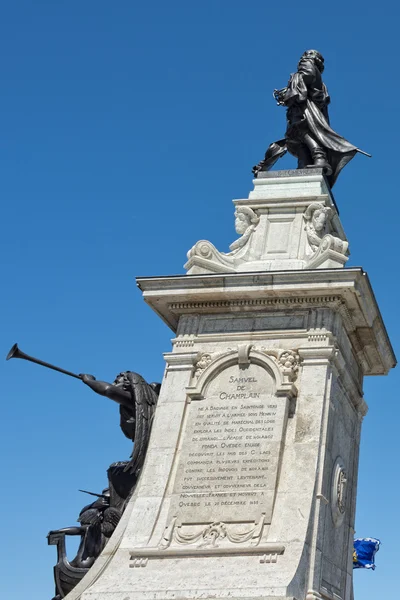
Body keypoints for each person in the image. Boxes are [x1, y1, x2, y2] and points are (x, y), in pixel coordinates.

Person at [253, 50, 370, 187]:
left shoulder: (306, 63)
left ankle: (320, 158)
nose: (303, 58)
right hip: (306, 110)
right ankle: (304, 165)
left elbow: (307, 76)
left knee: (301, 132)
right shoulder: (321, 81)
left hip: (304, 110)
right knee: (297, 139)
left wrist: (290, 88)